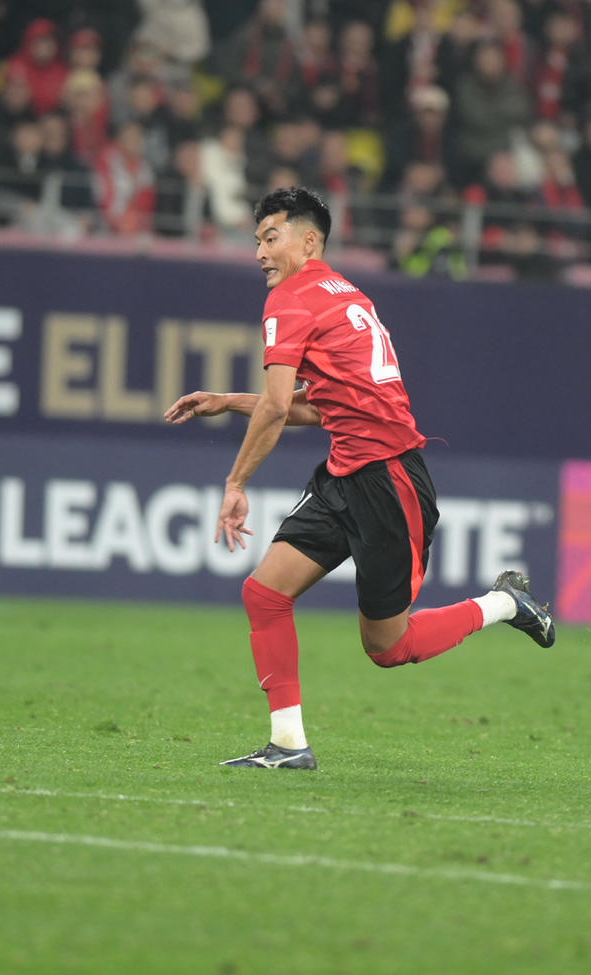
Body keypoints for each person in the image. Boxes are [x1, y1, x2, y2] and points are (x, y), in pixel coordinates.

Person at [163, 186, 555, 770]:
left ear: (309, 240)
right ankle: (288, 745)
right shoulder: (344, 293)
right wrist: (229, 401)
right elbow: (323, 408)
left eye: (271, 238)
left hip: (389, 481)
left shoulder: (289, 300)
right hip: (347, 472)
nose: (260, 253)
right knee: (265, 594)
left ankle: (504, 603)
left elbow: (279, 408)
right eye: (257, 241)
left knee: (388, 647)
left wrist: (236, 483)